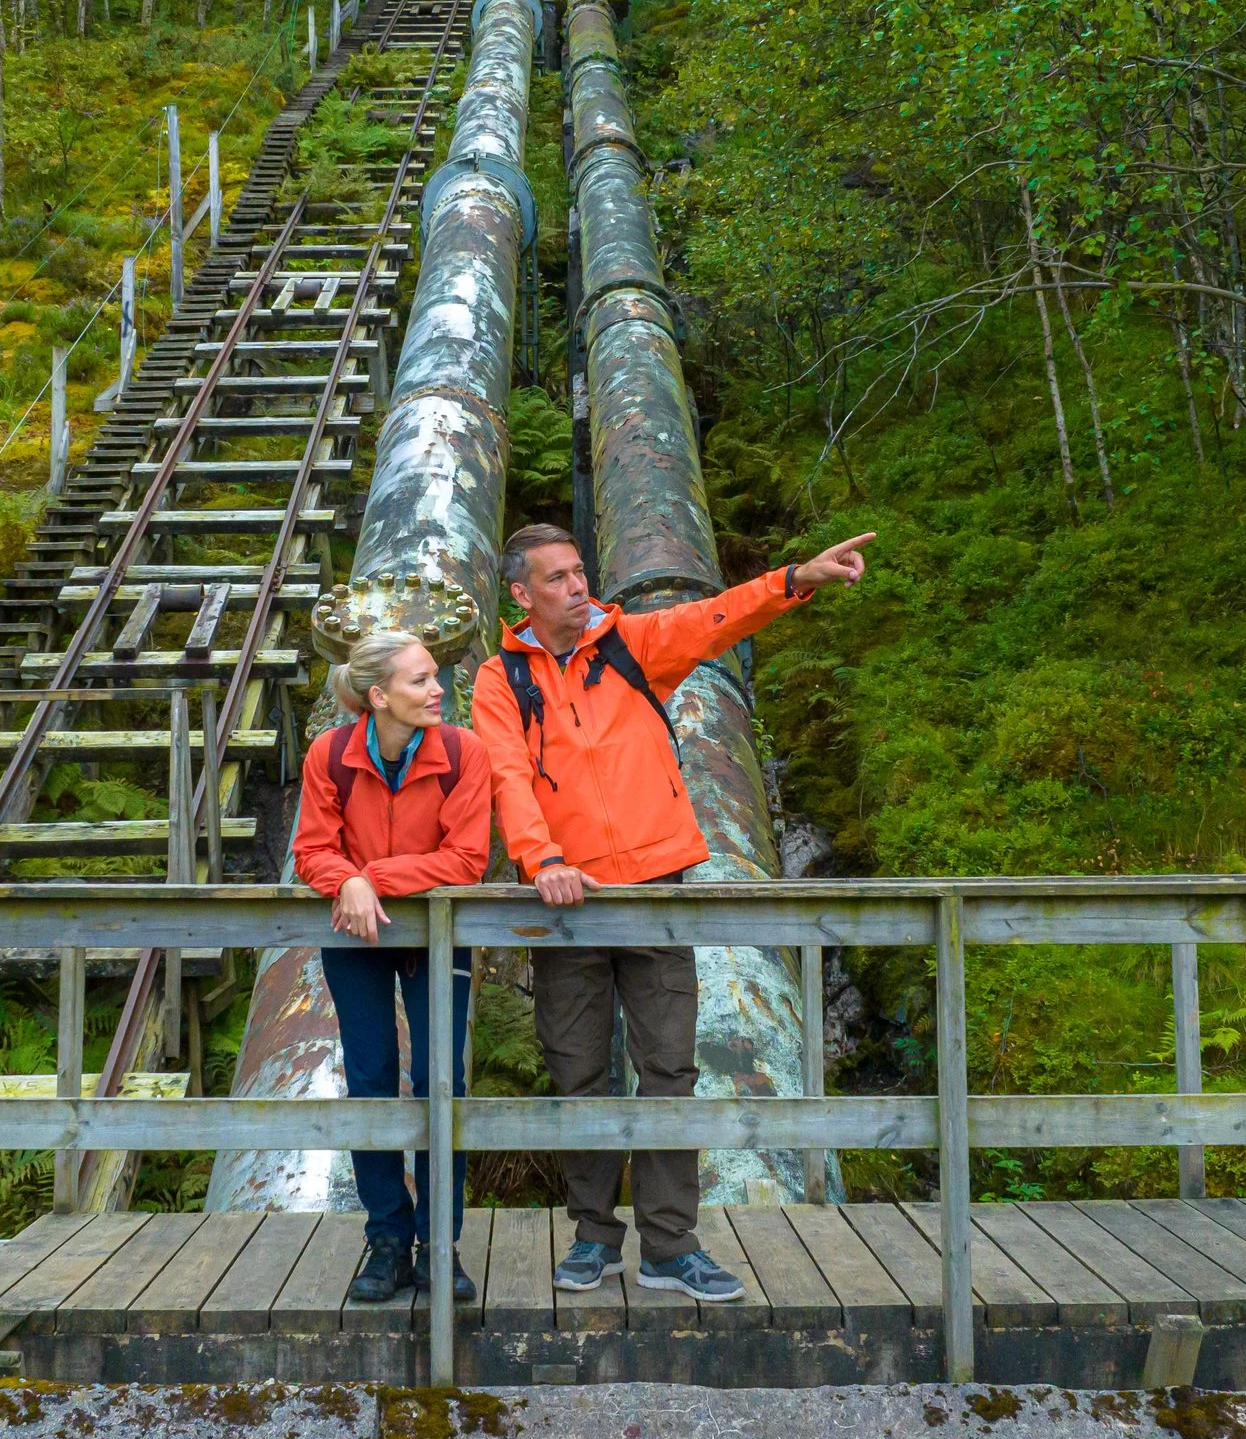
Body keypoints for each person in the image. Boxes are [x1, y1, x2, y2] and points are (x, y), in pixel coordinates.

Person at [473, 522, 876, 1302]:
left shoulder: (631, 645)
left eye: (579, 571)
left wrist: (796, 578)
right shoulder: (503, 680)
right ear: (521, 594)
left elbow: (717, 617)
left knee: (668, 1071)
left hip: (658, 895)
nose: (577, 586)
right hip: (569, 909)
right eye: (555, 578)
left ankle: (669, 1245)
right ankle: (592, 1236)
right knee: (578, 1073)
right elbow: (506, 774)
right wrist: (541, 859)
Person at [290, 627, 492, 1305]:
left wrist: (368, 876)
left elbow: (467, 860)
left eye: (436, 677)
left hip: (438, 935)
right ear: (378, 696)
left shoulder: (464, 754)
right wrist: (344, 881)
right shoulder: (332, 754)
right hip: (358, 941)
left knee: (443, 1080)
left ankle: (440, 1245)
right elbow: (311, 849)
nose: (438, 690)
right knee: (370, 1081)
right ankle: (386, 1242)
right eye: (420, 681)